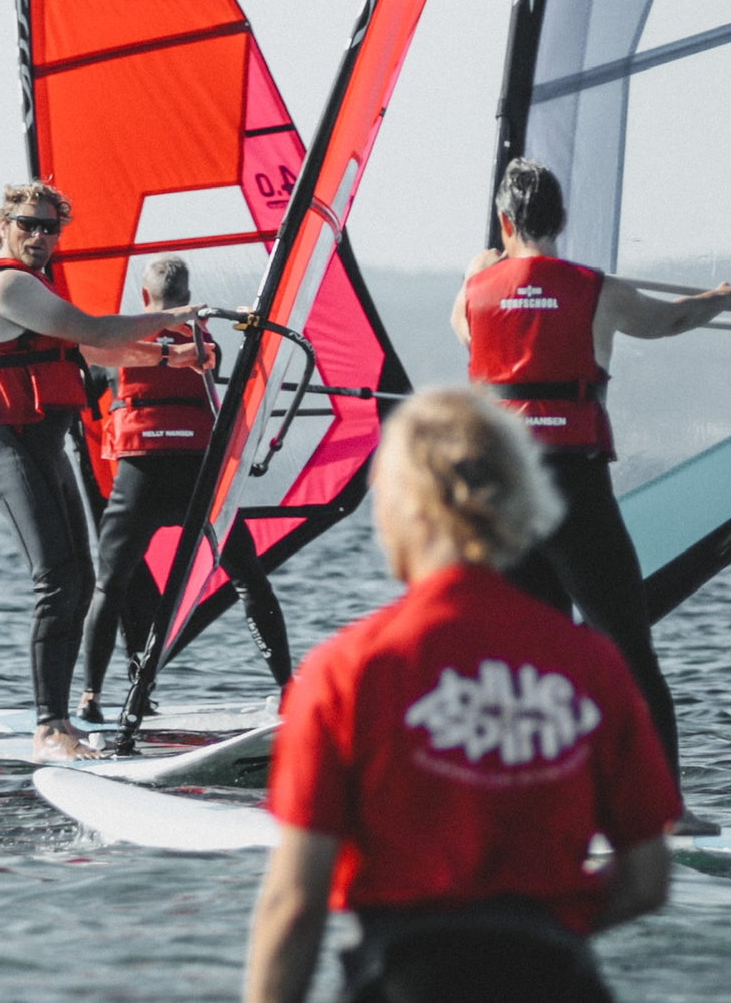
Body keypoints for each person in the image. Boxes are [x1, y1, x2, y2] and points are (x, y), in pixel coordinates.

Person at [245, 388, 677, 1003]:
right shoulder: (593, 665)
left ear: (403, 505)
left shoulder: (347, 671)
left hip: (406, 976)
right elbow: (646, 880)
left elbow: (294, 904)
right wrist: (542, 929)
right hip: (558, 975)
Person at [450, 157, 731, 832]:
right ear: (562, 220)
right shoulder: (598, 291)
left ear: (505, 221)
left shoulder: (474, 286)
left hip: (501, 493)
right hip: (573, 485)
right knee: (625, 647)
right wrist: (723, 297)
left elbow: (465, 326)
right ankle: (663, 810)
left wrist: (487, 260)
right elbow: (670, 321)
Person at [0, 182, 202, 762]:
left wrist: (169, 356)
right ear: (3, 226)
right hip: (12, 448)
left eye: (50, 228)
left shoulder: (39, 288)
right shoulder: (10, 286)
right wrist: (174, 317)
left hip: (44, 449)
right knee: (58, 582)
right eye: (27, 224)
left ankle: (60, 720)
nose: (39, 236)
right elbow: (97, 332)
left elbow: (91, 353)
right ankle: (50, 727)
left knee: (78, 579)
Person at [74, 255, 292, 726]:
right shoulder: (204, 342)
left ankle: (91, 697)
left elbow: (84, 396)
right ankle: (287, 688)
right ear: (187, 299)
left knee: (110, 586)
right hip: (198, 477)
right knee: (249, 580)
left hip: (139, 479)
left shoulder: (118, 345)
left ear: (145, 298)